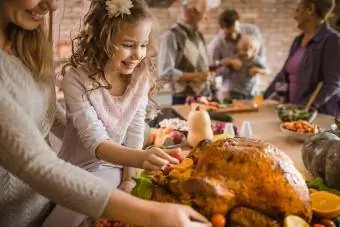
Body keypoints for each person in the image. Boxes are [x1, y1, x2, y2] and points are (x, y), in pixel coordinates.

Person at [0, 0, 211, 226]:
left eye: (143, 45)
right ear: (103, 40)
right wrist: (142, 167)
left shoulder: (28, 46)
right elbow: (45, 159)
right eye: (129, 44)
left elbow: (47, 117)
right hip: (33, 199)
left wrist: (130, 177)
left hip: (56, 192)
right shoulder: (77, 79)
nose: (53, 5)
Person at [264, 0, 340, 116]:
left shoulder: (332, 40)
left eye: (298, 10)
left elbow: (332, 84)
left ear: (310, 9)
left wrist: (302, 107)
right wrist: (262, 98)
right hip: (293, 113)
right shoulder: (297, 41)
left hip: (319, 116)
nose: (295, 16)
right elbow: (283, 76)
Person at [157, 0, 211, 105]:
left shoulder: (199, 35)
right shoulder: (171, 36)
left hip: (204, 97)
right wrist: (198, 76)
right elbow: (165, 72)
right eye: (204, 13)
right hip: (184, 100)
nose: (206, 17)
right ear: (192, 11)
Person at [208, 8, 267, 101]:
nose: (234, 37)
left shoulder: (253, 32)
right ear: (222, 29)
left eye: (235, 32)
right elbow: (213, 71)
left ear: (238, 22)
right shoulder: (217, 43)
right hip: (230, 93)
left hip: (254, 91)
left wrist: (257, 70)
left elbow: (263, 60)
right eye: (229, 34)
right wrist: (229, 65)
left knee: (257, 114)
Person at [223, 35, 270, 100]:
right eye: (242, 49)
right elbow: (223, 62)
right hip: (236, 92)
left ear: (254, 51)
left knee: (257, 107)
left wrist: (258, 70)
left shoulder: (256, 60)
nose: (245, 53)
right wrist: (231, 62)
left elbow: (268, 71)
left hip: (253, 92)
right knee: (235, 108)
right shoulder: (235, 57)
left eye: (248, 50)